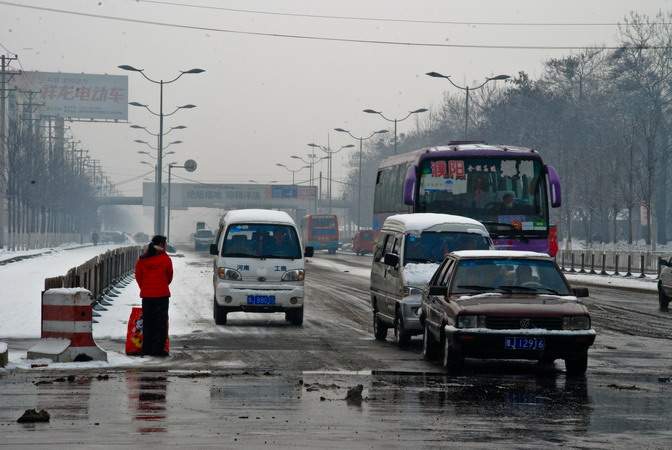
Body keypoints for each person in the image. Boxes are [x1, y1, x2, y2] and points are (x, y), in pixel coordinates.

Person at [135, 235, 173, 357]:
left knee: (148, 322)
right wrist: (161, 286)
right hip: (161, 296)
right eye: (166, 243)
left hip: (147, 296)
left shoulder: (142, 258)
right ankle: (158, 350)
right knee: (160, 323)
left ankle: (147, 349)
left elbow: (138, 276)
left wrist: (145, 288)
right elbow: (169, 276)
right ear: (162, 244)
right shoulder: (165, 258)